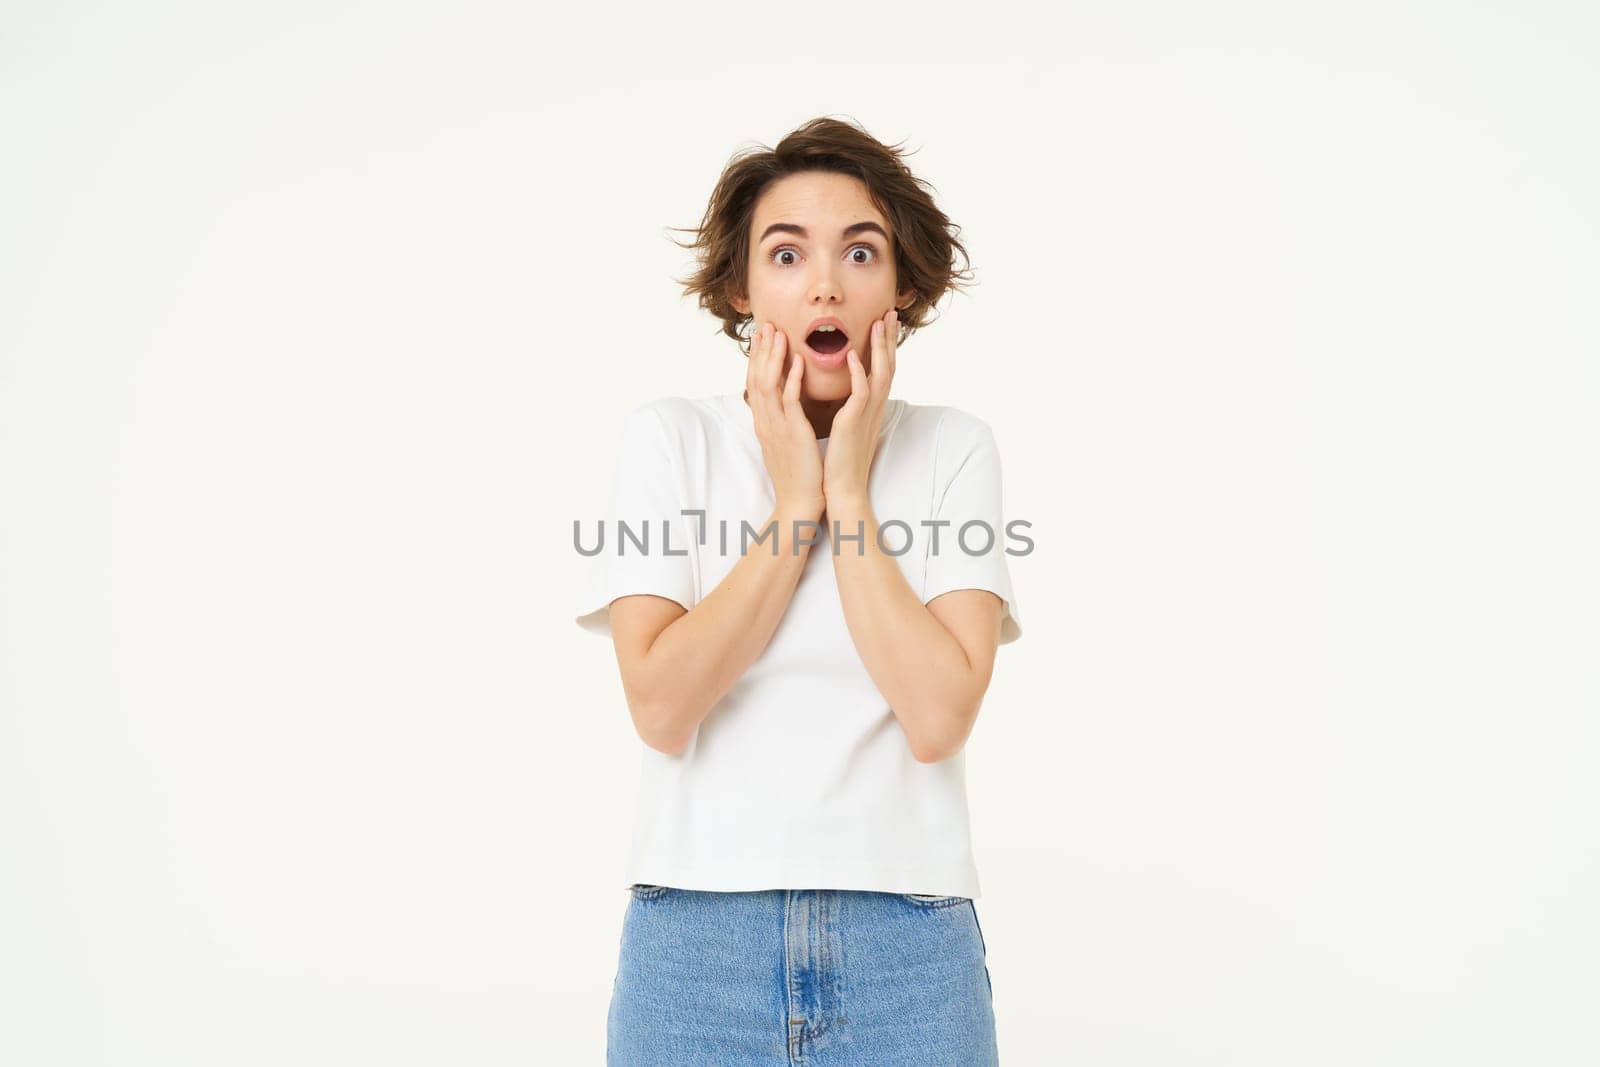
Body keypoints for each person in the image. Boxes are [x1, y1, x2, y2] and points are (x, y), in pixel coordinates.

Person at [576, 116, 1023, 1065]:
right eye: (787, 253)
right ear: (742, 289)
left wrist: (848, 488)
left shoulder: (951, 447)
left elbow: (939, 714)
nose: (825, 281)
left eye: (861, 251)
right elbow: (661, 704)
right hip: (696, 943)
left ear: (901, 288)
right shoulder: (672, 442)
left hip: (910, 943)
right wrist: (793, 503)